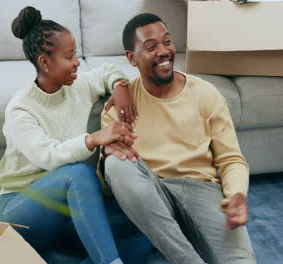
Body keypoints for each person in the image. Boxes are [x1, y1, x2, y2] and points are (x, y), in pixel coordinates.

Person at [0, 7, 152, 264]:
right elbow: (49, 156)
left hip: (63, 212)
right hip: (20, 214)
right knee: (77, 174)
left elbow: (105, 72)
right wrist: (93, 138)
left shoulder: (77, 86)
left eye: (76, 54)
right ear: (45, 62)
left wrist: (120, 86)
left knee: (144, 228)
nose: (77, 61)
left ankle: (60, 257)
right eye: (69, 56)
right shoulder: (20, 109)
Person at [101, 13, 257, 264]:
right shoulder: (119, 108)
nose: (164, 51)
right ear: (131, 58)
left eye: (167, 42)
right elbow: (113, 181)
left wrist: (237, 194)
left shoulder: (206, 93)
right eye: (151, 47)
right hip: (150, 192)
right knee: (115, 163)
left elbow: (232, 160)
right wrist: (108, 151)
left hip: (201, 191)